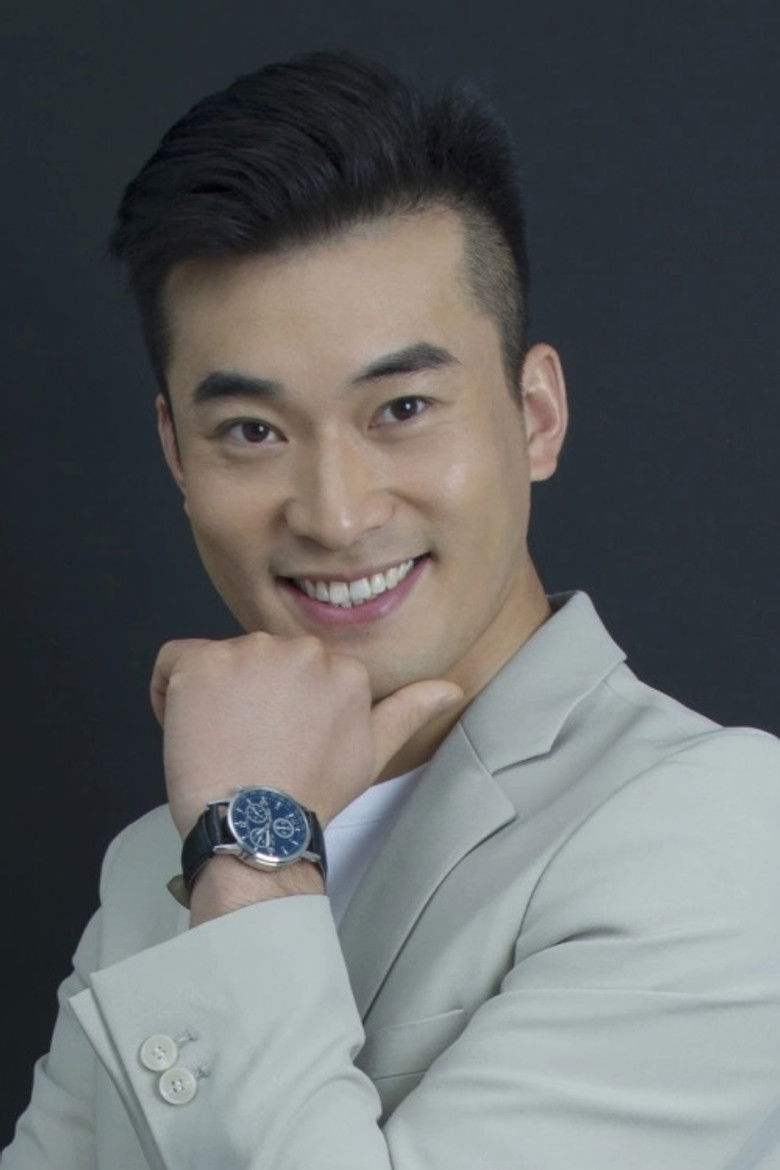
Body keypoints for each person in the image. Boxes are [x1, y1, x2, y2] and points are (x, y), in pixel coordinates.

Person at [3, 48, 779, 1170]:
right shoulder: (153, 866)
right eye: (252, 432)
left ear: (536, 414)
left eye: (403, 408)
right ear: (175, 453)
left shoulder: (715, 827)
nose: (335, 512)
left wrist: (251, 854)